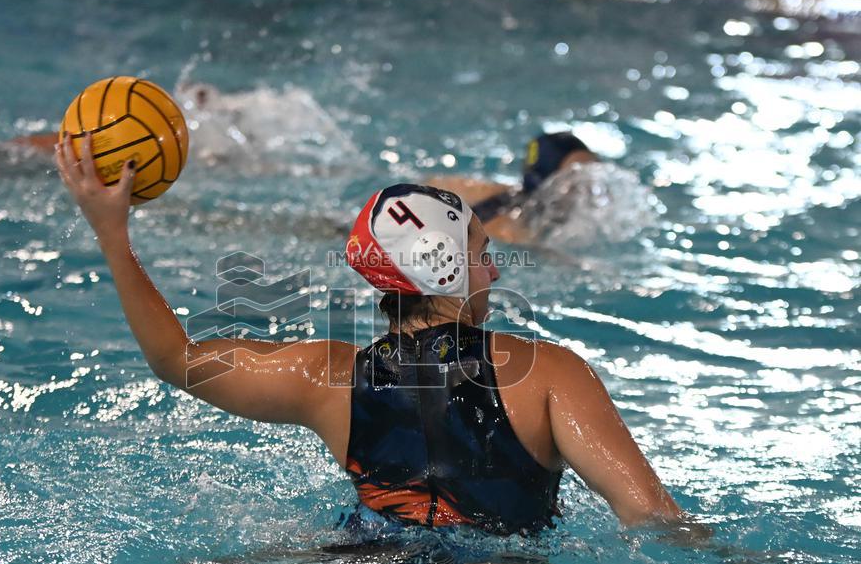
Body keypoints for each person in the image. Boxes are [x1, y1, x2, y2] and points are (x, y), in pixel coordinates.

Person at [55, 132, 686, 537]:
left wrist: (112, 233)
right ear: (444, 265)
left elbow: (177, 358)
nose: (493, 268)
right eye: (482, 251)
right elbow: (653, 521)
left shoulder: (327, 377)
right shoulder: (549, 373)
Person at [426, 131, 598, 245]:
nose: (589, 187)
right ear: (546, 181)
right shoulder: (512, 228)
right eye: (574, 177)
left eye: (593, 173)